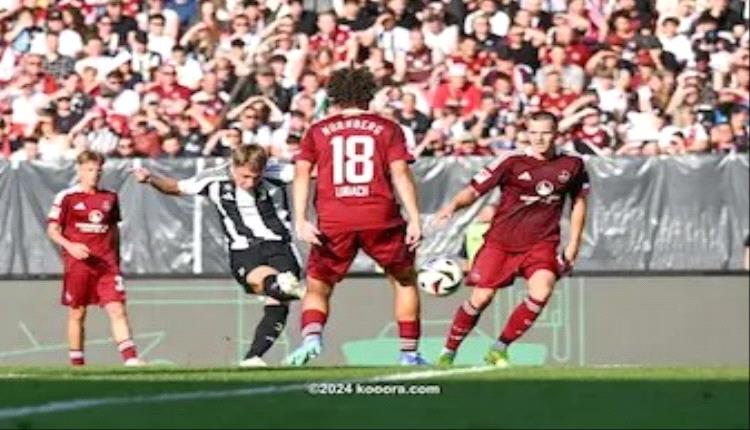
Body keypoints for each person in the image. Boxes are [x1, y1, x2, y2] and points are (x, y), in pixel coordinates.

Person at [285, 67, 425, 366]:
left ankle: (312, 338)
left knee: (318, 285)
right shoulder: (388, 128)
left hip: (335, 218)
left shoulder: (317, 130)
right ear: (369, 94)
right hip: (380, 215)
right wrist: (414, 217)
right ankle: (409, 354)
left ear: (334, 96)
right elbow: (400, 172)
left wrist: (300, 219)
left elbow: (301, 173)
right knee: (403, 281)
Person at [433, 111, 590, 368]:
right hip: (501, 242)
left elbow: (579, 204)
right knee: (481, 298)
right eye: (534, 133)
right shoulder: (511, 161)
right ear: (526, 133)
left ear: (556, 133)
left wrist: (573, 244)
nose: (539, 138)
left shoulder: (573, 164)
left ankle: (499, 348)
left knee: (542, 290)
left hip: (542, 242)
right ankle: (448, 351)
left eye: (545, 133)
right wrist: (452, 206)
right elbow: (474, 190)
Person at [131, 145, 305, 367]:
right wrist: (150, 179)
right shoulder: (212, 178)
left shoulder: (278, 171)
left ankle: (253, 357)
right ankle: (284, 286)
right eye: (244, 176)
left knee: (279, 301)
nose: (250, 183)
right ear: (233, 166)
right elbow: (175, 187)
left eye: (256, 177)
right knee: (261, 283)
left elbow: (313, 171)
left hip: (280, 245)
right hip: (244, 248)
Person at [47, 150, 143, 367]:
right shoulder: (67, 197)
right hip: (78, 265)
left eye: (98, 170)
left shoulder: (110, 197)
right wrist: (70, 246)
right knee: (77, 313)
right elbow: (52, 230)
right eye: (90, 170)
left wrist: (116, 259)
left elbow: (114, 230)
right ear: (80, 170)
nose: (94, 175)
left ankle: (131, 360)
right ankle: (77, 364)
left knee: (117, 308)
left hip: (106, 265)